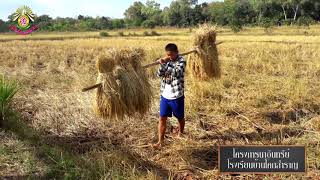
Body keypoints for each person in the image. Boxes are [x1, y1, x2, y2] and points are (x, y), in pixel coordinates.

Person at [153, 43, 186, 148]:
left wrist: (166, 63)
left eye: (171, 54)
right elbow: (159, 74)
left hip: (176, 96)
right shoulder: (166, 61)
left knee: (179, 117)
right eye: (168, 54)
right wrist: (162, 64)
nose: (169, 57)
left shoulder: (182, 60)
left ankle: (181, 133)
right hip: (165, 95)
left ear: (177, 52)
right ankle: (160, 141)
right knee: (162, 118)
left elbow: (177, 72)